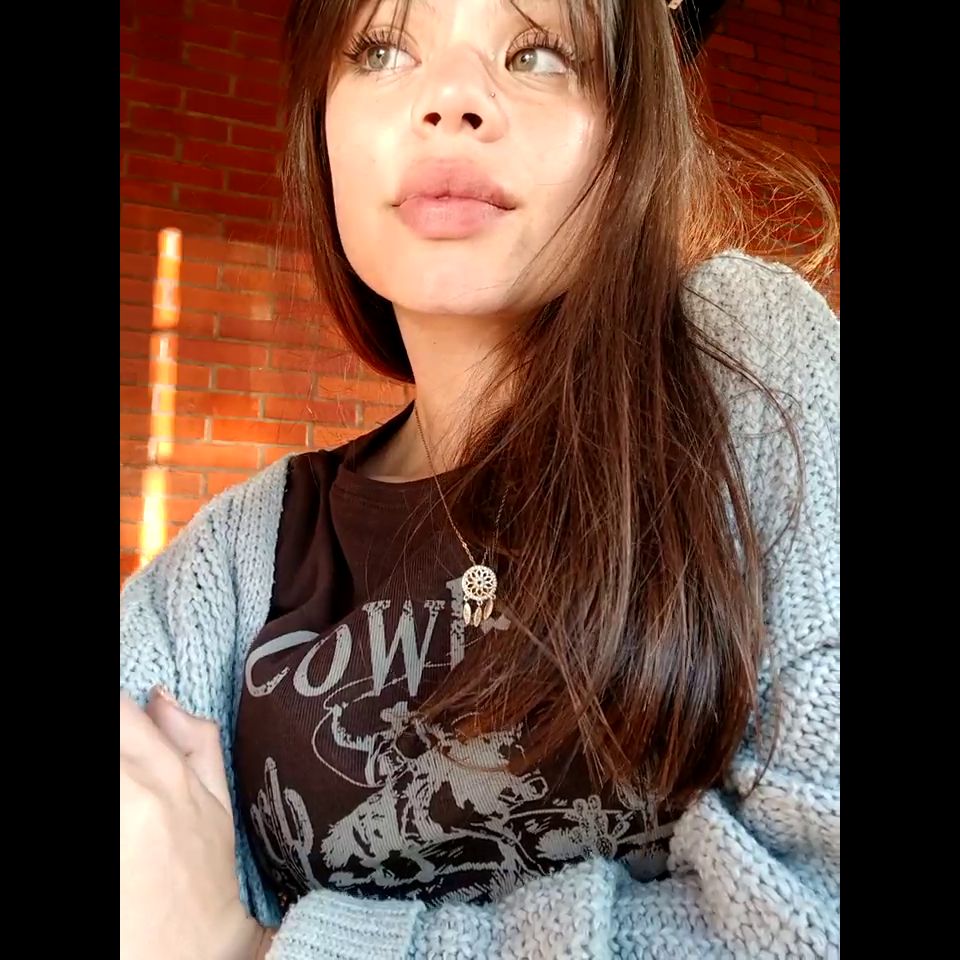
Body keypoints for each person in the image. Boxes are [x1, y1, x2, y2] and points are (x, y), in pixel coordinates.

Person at [119, 0, 840, 957]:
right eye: (383, 50)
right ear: (322, 126)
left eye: (538, 54)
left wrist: (244, 947)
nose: (452, 98)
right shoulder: (243, 547)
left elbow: (814, 912)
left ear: (628, 132)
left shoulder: (752, 370)